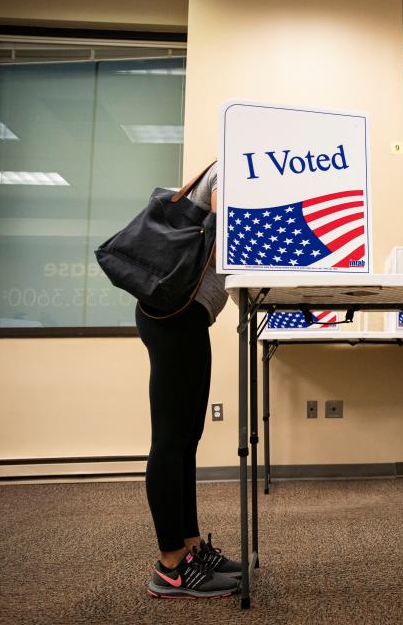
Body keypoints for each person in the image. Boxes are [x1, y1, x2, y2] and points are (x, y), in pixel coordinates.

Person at [136, 164, 242, 599]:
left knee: (186, 440)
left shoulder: (241, 172)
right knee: (170, 440)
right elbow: (217, 245)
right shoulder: (232, 170)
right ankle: (171, 566)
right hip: (175, 317)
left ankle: (192, 549)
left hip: (188, 317)